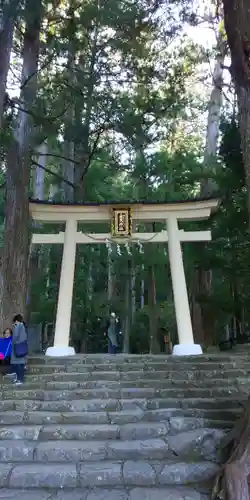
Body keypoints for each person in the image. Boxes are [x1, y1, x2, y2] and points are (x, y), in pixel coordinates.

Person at [10, 314, 28, 386]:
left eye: (14, 322)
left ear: (16, 321)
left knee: (18, 365)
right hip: (22, 347)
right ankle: (19, 379)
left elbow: (15, 337)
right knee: (21, 364)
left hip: (17, 347)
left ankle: (20, 379)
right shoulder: (23, 326)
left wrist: (13, 342)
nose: (13, 324)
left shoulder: (18, 326)